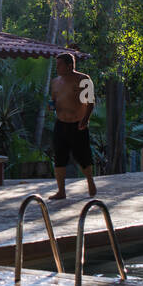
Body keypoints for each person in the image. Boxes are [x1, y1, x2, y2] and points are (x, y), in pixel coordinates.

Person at [49, 52, 97, 200]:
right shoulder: (55, 82)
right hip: (61, 123)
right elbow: (54, 100)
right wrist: (52, 106)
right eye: (56, 65)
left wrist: (85, 120)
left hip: (78, 124)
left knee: (83, 155)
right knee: (59, 156)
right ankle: (61, 191)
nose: (57, 68)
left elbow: (90, 102)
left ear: (70, 65)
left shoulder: (83, 79)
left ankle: (90, 182)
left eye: (60, 65)